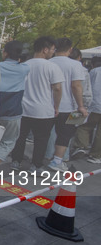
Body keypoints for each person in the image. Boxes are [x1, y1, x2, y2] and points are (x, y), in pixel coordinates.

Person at [10, 36, 63, 173]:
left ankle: (16, 161)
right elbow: (57, 88)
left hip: (23, 108)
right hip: (43, 110)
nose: (53, 52)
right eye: (52, 49)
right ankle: (36, 165)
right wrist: (56, 106)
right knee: (41, 139)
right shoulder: (52, 67)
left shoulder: (24, 65)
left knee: (20, 137)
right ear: (45, 50)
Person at [47, 38, 88, 172]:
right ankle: (57, 160)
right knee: (65, 134)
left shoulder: (48, 62)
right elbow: (76, 86)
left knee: (45, 133)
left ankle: (41, 158)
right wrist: (81, 106)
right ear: (70, 49)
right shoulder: (76, 65)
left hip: (48, 104)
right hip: (69, 106)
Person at [0, 41, 30, 174]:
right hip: (13, 113)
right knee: (8, 141)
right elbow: (24, 61)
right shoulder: (24, 68)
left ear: (5, 53)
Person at [72, 57, 101, 163]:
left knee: (84, 126)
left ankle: (81, 146)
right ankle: (96, 155)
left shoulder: (94, 71)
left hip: (93, 104)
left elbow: (87, 86)